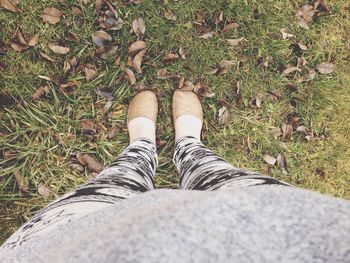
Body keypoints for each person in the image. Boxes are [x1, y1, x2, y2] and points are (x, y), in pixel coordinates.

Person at [0, 90, 349, 262]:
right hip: (280, 228)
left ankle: (142, 146)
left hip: (71, 244)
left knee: (115, 185)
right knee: (218, 178)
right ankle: (187, 145)